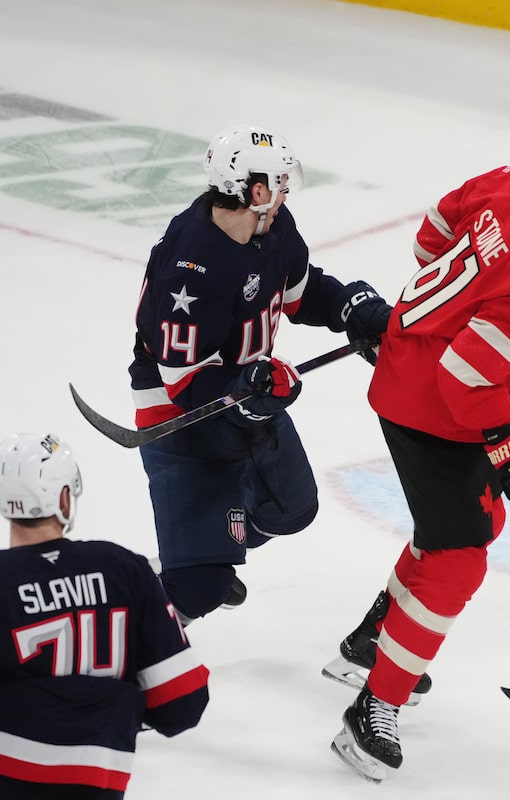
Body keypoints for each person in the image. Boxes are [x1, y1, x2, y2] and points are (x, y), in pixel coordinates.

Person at [324, 121, 510, 782]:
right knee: (459, 557)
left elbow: (430, 235)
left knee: (475, 524)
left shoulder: (505, 182)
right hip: (432, 409)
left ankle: (375, 638)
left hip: (406, 364)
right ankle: (375, 706)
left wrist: (428, 322)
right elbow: (469, 376)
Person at [128, 125, 393, 624]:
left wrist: (349, 308)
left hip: (247, 391)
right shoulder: (192, 263)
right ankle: (137, 646)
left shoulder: (273, 227)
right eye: (280, 184)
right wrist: (246, 391)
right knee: (200, 587)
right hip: (179, 410)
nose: (285, 194)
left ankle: (202, 546)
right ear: (254, 189)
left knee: (289, 506)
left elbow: (299, 291)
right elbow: (183, 382)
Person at [0, 433, 210, 799]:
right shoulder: (123, 569)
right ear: (64, 496)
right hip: (98, 783)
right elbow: (183, 700)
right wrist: (111, 707)